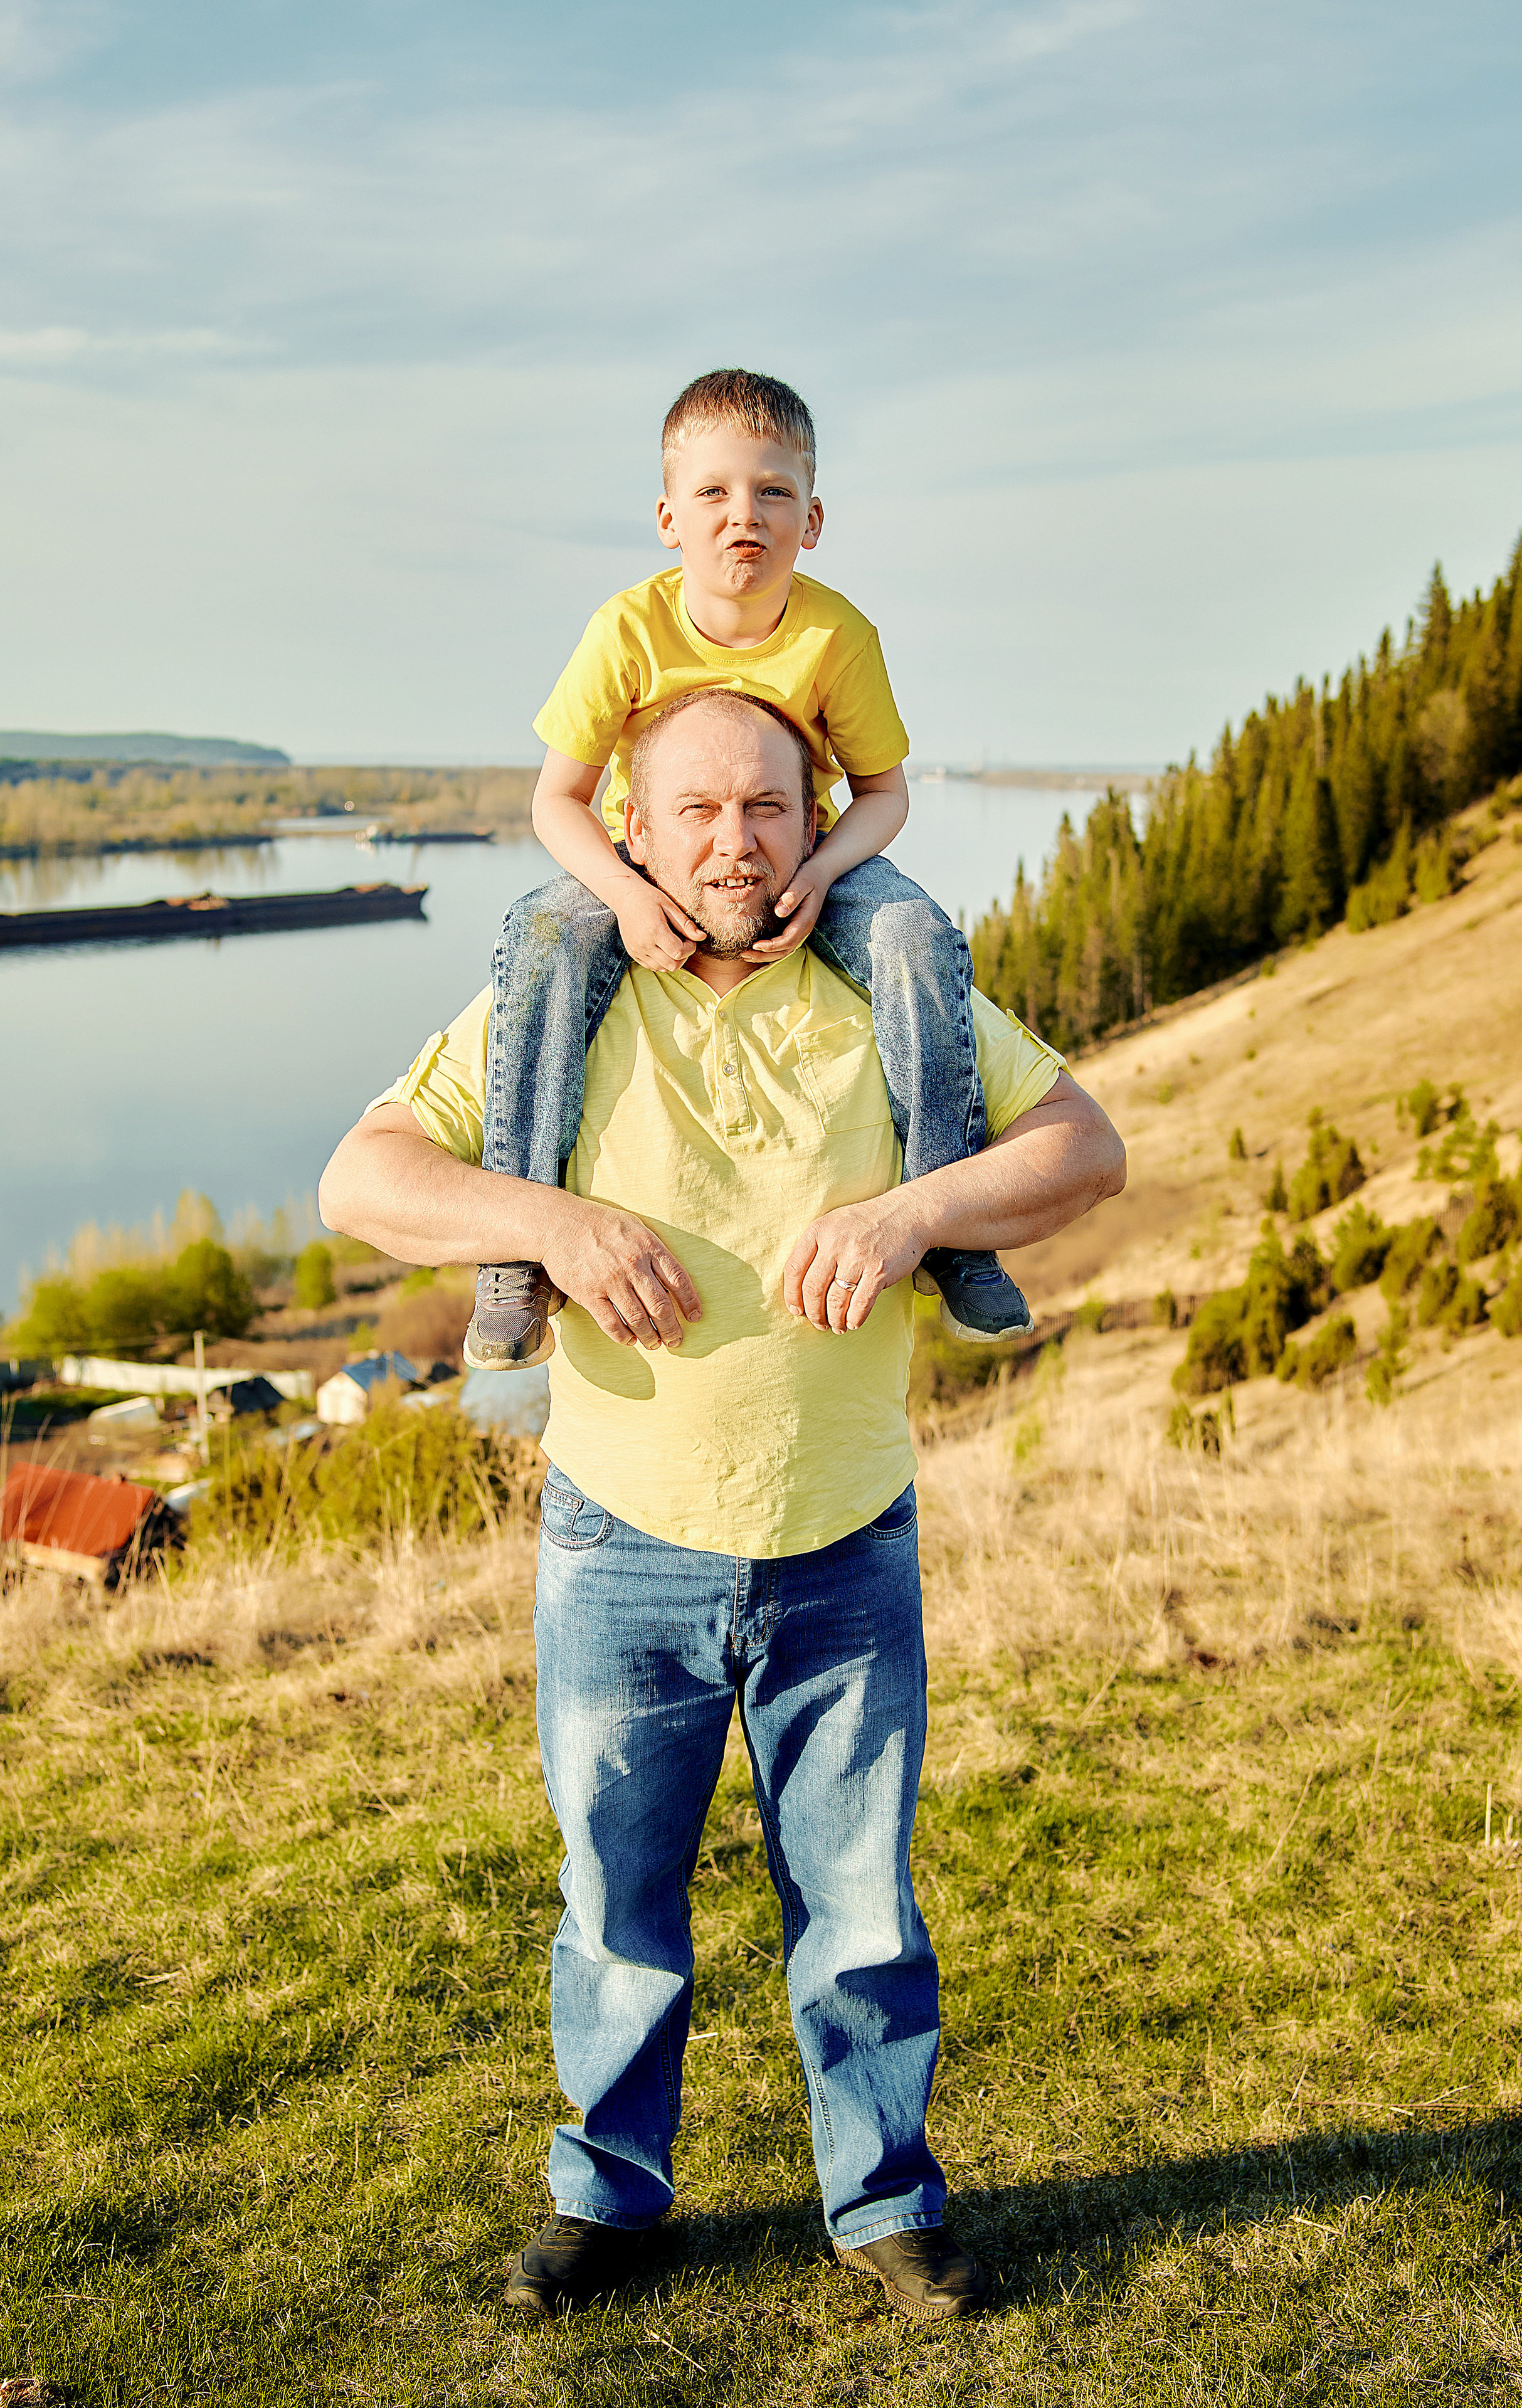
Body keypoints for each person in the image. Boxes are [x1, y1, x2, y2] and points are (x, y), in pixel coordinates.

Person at [319, 690, 1126, 2321]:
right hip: (621, 1544)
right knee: (617, 1908)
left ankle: (883, 2202)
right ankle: (608, 2203)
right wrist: (549, 1219)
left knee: (860, 1909)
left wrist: (915, 1214)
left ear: (814, 811)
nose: (733, 839)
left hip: (848, 1537)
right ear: (630, 821)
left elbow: (1083, 1146)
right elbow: (362, 1180)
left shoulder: (889, 993)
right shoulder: (567, 1001)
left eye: (766, 806)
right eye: (694, 810)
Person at [466, 366, 1034, 1375]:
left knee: (912, 935)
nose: (745, 517)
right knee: (545, 935)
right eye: (716, 493)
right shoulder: (627, 631)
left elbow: (885, 796)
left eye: (774, 492)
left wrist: (826, 875)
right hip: (646, 872)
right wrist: (628, 896)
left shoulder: (835, 634)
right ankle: (518, 1256)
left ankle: (954, 1232)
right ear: (667, 517)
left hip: (807, 858)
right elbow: (555, 802)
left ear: (812, 520)